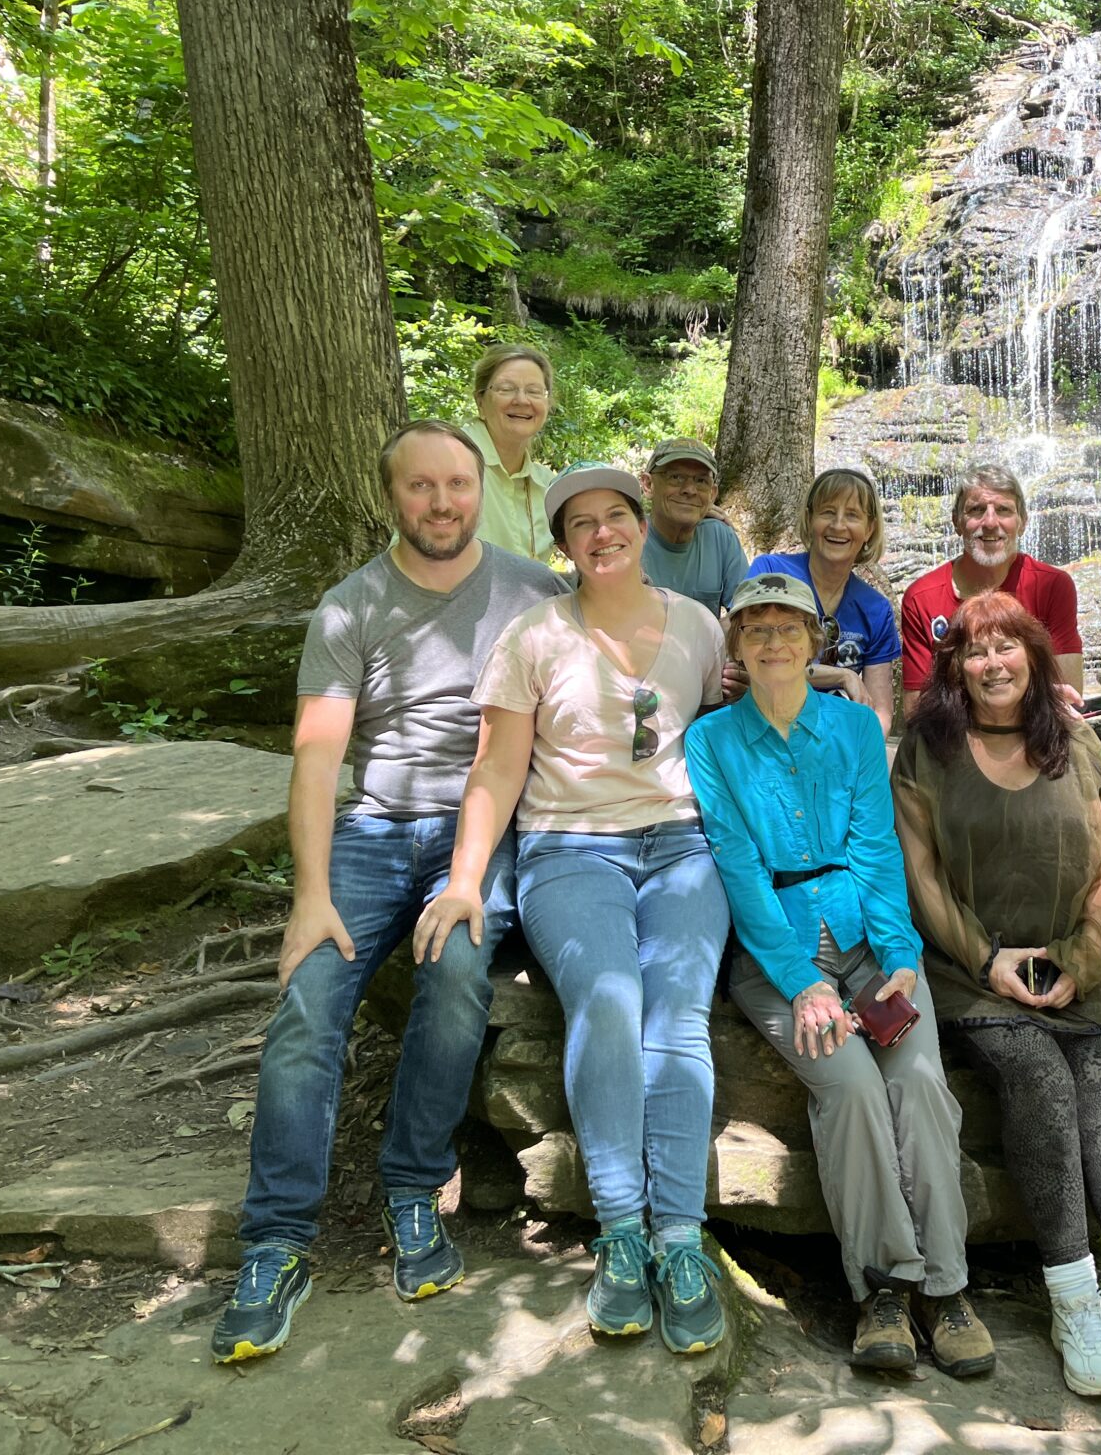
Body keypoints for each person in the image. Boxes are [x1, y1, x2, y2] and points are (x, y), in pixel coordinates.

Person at [210, 421, 568, 1364]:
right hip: (370, 831)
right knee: (307, 998)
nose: (442, 503)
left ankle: (413, 1188)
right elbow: (319, 757)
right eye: (421, 487)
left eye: (457, 484)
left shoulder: (534, 593)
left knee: (454, 973)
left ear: (477, 486)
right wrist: (310, 894)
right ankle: (277, 1241)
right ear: (391, 497)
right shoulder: (350, 606)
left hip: (479, 831)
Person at [412, 462, 732, 1352]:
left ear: (638, 526)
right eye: (581, 523)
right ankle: (622, 1234)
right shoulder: (534, 637)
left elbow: (719, 734)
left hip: (683, 845)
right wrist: (466, 879)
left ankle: (679, 1238)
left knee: (678, 1018)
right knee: (607, 999)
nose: (602, 533)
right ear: (562, 546)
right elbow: (498, 769)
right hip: (568, 850)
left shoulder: (699, 627)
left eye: (616, 516)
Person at [685, 573, 995, 1379]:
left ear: (815, 641)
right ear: (738, 646)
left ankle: (950, 1288)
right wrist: (801, 983)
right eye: (756, 629)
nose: (774, 642)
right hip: (776, 959)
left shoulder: (856, 730)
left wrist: (899, 956)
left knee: (920, 1080)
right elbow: (741, 869)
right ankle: (886, 1290)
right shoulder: (711, 741)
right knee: (851, 1086)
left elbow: (877, 849)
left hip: (868, 942)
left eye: (789, 627)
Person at [893, 592, 1101, 1398]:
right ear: (954, 668)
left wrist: (1083, 959)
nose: (992, 664)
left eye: (1006, 647)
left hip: (1070, 972)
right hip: (971, 978)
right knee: (1040, 1078)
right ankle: (1075, 1301)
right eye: (974, 652)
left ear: (1033, 656)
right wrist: (987, 961)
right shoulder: (928, 752)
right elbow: (920, 877)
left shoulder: (1074, 741)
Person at [899, 464, 1081, 717]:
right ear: (957, 522)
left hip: (1036, 741)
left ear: (1023, 522)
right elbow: (916, 712)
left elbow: (1068, 695)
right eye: (976, 510)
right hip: (952, 744)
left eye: (1004, 510)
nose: (990, 522)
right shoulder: (922, 598)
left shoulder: (1053, 586)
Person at [745, 466, 901, 734]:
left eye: (852, 515)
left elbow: (880, 713)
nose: (838, 525)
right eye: (828, 512)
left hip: (838, 745)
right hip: (764, 731)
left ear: (869, 529)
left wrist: (864, 757)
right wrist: (843, 675)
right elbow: (761, 666)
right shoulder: (772, 574)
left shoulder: (876, 608)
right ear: (809, 519)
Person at [464, 344, 560, 562]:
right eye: (506, 389)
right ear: (480, 401)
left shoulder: (547, 486)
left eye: (534, 391)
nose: (522, 400)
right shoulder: (450, 463)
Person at [641, 437, 748, 614]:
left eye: (701, 481)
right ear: (648, 485)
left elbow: (746, 613)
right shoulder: (629, 539)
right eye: (675, 477)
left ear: (712, 494)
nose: (689, 490)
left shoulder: (719, 538)